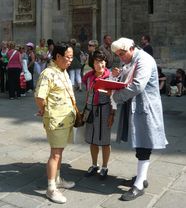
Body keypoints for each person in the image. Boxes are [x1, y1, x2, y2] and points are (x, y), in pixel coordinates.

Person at [110, 37, 168, 201]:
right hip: (136, 106)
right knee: (140, 143)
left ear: (131, 48)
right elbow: (126, 79)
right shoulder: (131, 60)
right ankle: (141, 177)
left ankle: (140, 185)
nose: (121, 58)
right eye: (118, 55)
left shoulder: (144, 60)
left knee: (143, 144)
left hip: (145, 107)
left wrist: (116, 97)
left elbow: (137, 85)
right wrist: (118, 75)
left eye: (122, 54)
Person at [35, 44, 76, 204]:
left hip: (65, 119)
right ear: (58, 57)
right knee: (55, 153)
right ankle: (51, 188)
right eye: (68, 57)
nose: (70, 60)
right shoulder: (48, 73)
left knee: (59, 151)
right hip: (55, 120)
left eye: (72, 57)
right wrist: (45, 110)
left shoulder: (62, 71)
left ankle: (57, 179)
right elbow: (39, 97)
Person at [82, 50, 115, 179]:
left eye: (101, 61)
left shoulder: (111, 77)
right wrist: (84, 110)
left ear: (105, 62)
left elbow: (115, 99)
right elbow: (87, 94)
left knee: (105, 141)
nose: (99, 64)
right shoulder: (88, 77)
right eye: (96, 61)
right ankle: (94, 165)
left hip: (105, 110)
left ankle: (105, 166)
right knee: (92, 140)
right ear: (93, 63)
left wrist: (112, 114)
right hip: (91, 110)